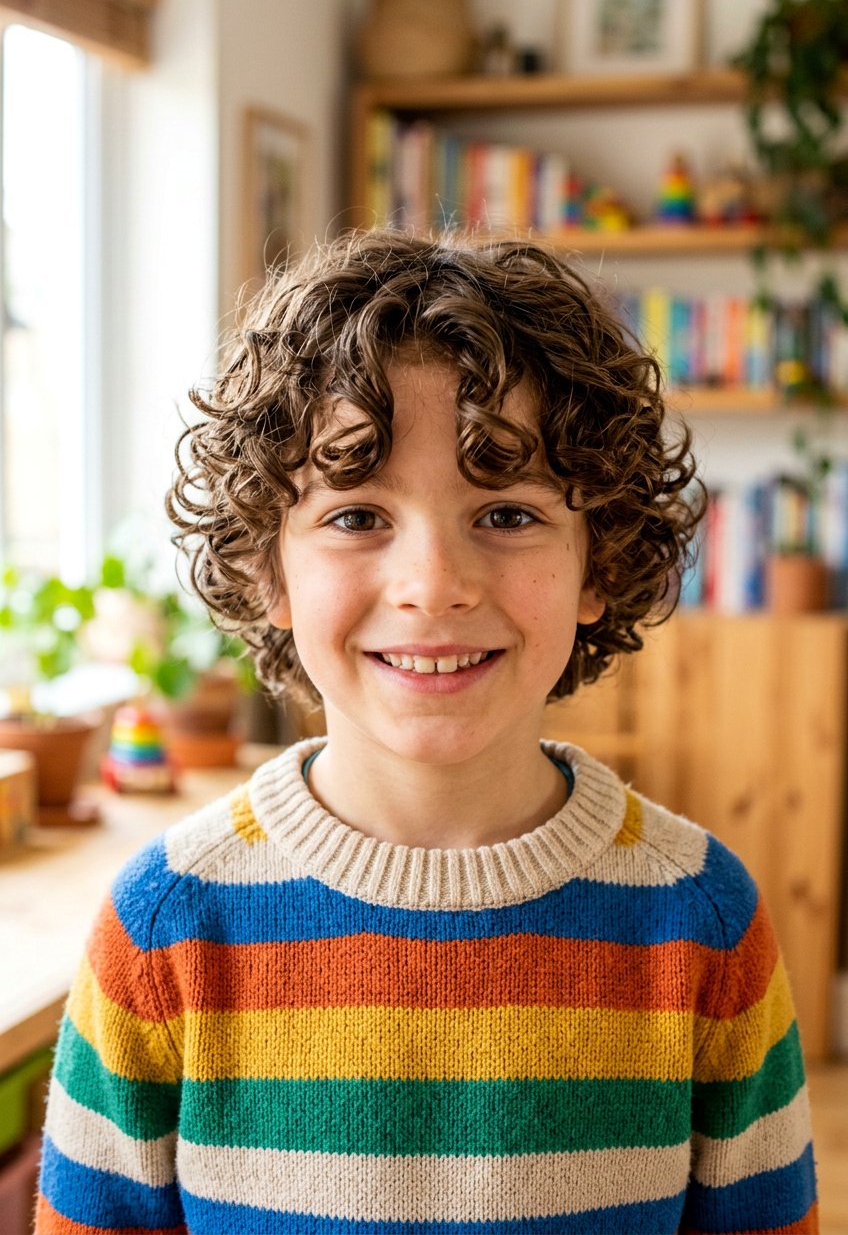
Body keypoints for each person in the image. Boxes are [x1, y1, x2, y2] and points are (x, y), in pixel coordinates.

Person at [36, 230, 818, 1234]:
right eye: (357, 516)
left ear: (600, 559)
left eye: (504, 513)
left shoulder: (700, 924)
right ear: (269, 572)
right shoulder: (165, 930)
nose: (433, 585)